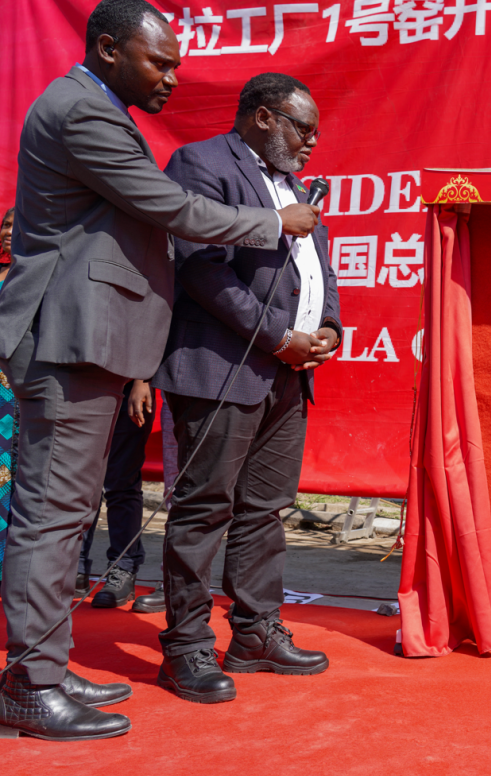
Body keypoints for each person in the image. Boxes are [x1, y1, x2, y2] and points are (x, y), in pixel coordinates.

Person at [0, 0, 320, 742]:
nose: (173, 77)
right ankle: (30, 686)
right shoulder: (81, 110)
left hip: (90, 342)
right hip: (67, 338)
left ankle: (44, 666)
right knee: (52, 516)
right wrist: (272, 222)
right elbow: (168, 206)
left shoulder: (98, 110)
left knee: (67, 513)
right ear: (109, 48)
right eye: (161, 62)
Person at [152, 72, 341, 705]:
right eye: (303, 128)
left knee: (266, 508)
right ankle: (185, 646)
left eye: (315, 132)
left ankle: (256, 633)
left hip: (288, 375)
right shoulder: (202, 164)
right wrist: (278, 336)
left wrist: (328, 327)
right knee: (205, 507)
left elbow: (318, 266)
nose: (311, 141)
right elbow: (201, 266)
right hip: (220, 369)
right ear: (264, 117)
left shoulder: (294, 185)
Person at [73, 379, 156, 608]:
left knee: (121, 481)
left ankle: (123, 568)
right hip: (86, 382)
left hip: (130, 385)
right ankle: (76, 567)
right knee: (81, 483)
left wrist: (142, 381)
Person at [0, 207, 16, 580]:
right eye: (5, 225)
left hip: (17, 393)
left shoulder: (41, 277)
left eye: (17, 225)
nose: (9, 232)